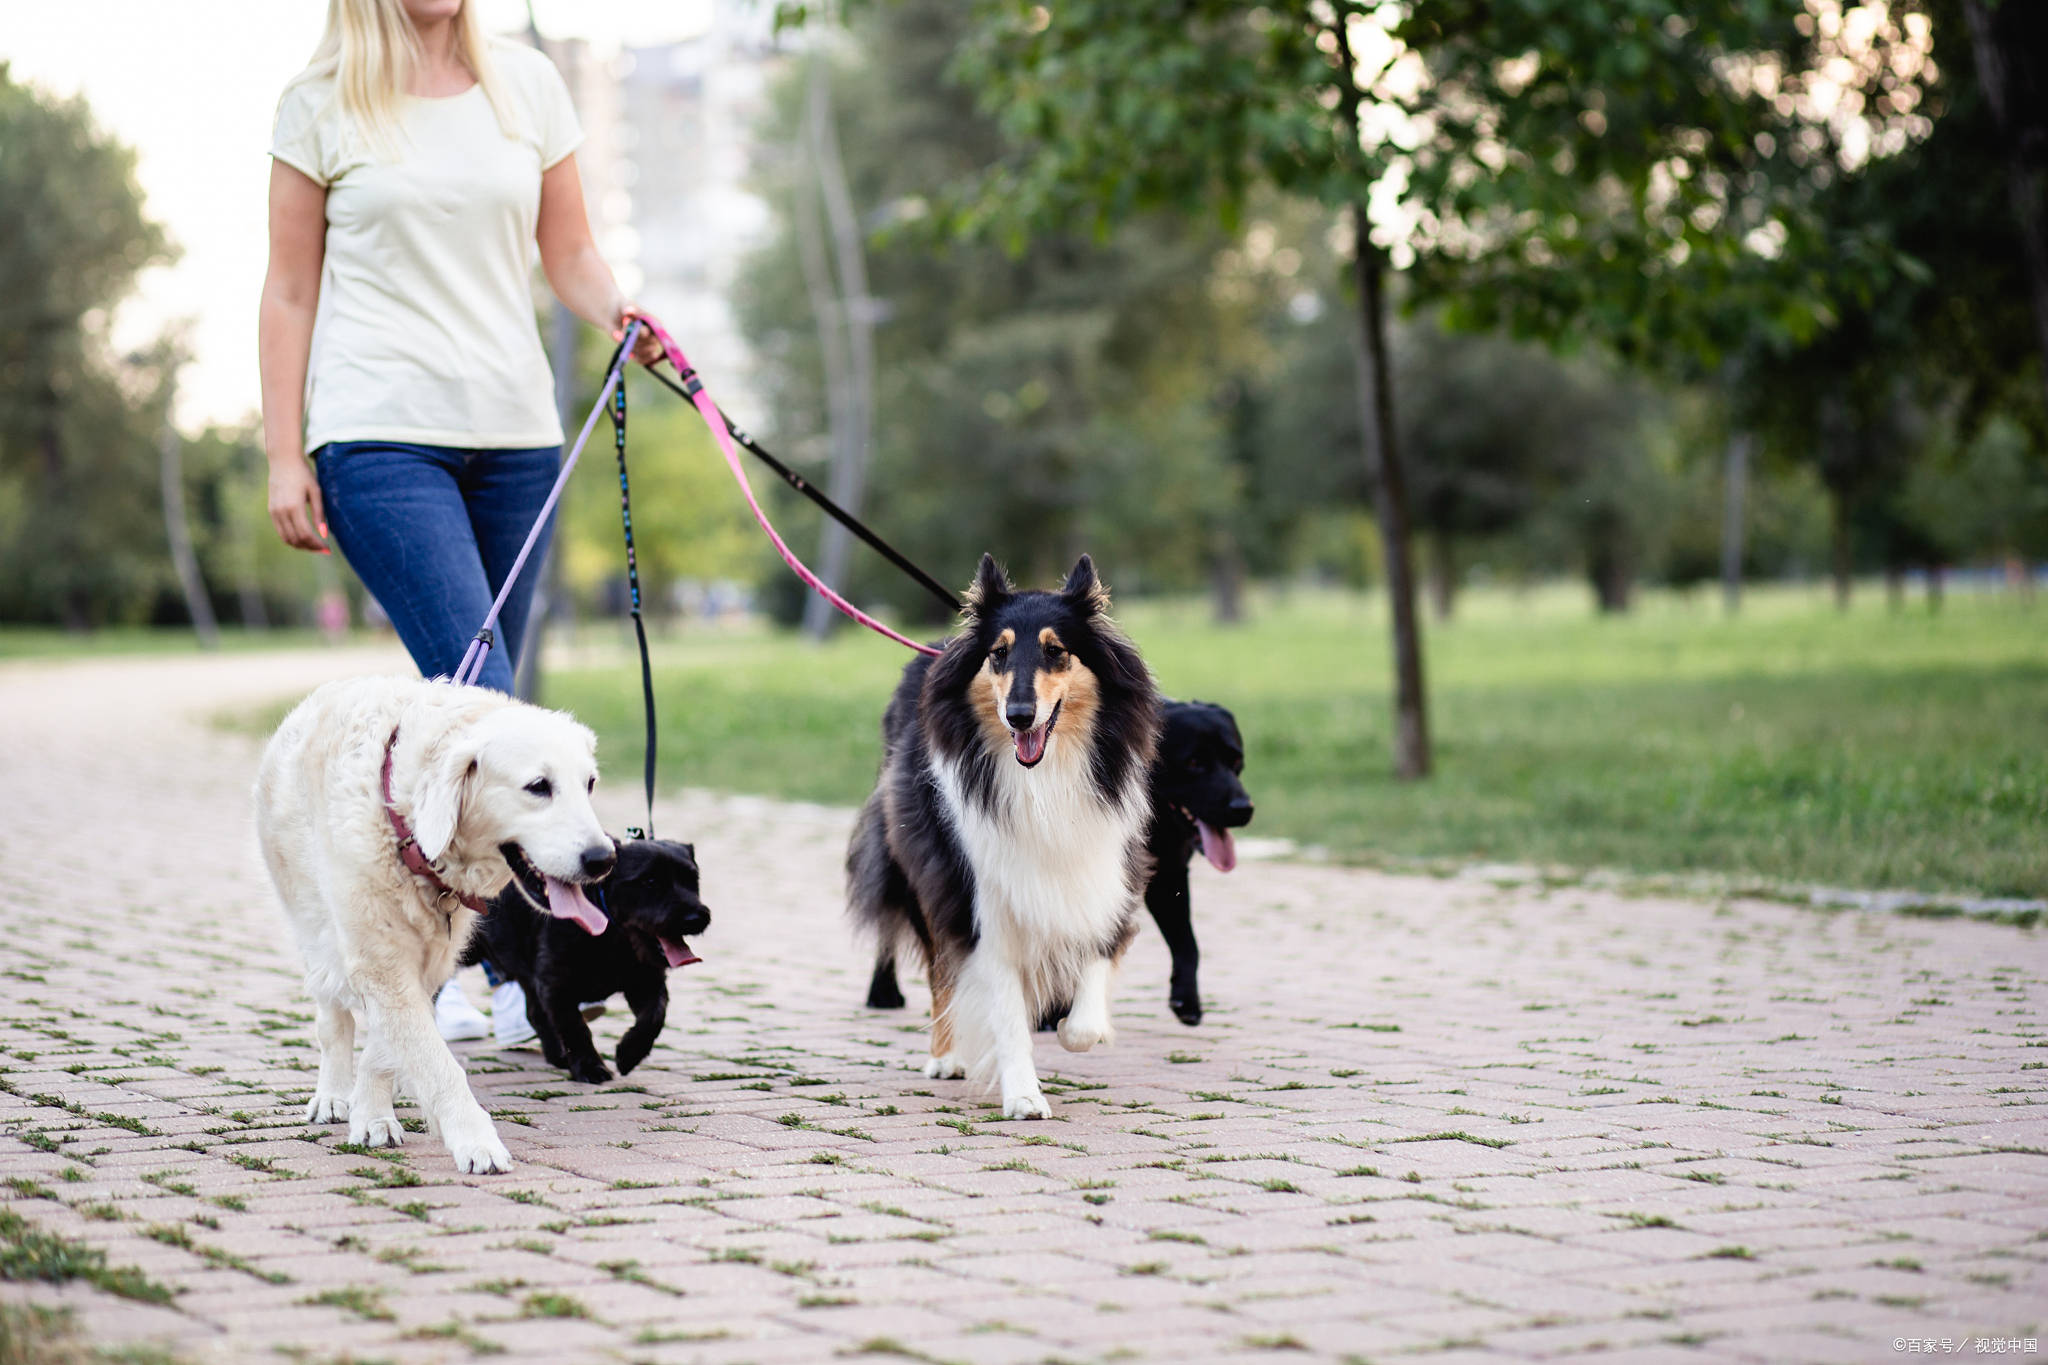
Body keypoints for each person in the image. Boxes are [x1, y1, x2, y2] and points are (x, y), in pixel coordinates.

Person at [259, 0, 658, 1044]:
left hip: (516, 439)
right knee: (479, 710)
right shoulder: (320, 101)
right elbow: (290, 290)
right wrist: (280, 450)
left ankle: (484, 970)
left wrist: (622, 315)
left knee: (490, 713)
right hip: (377, 435)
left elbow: (568, 251)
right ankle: (483, 976)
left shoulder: (526, 86)